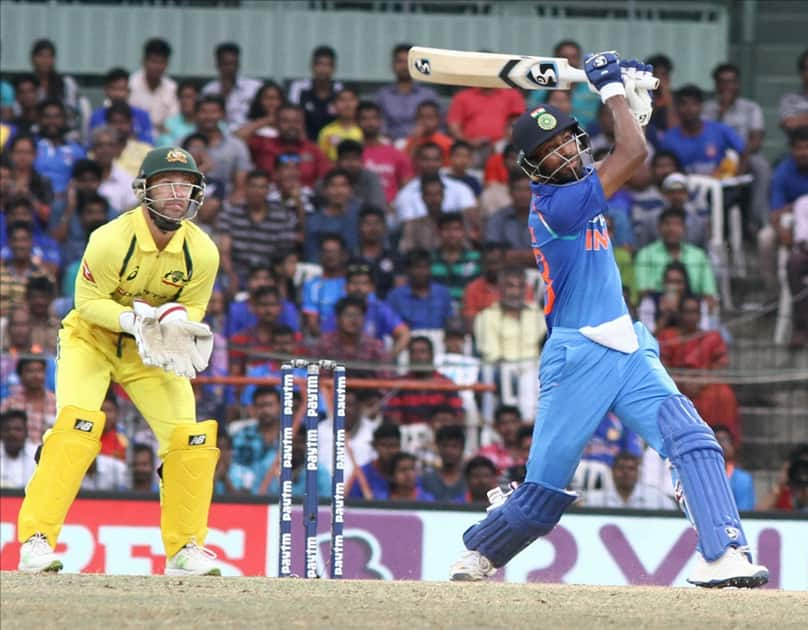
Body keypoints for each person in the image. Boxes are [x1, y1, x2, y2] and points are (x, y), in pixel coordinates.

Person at [448, 52, 768, 588]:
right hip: (578, 357)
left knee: (694, 441)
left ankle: (724, 554)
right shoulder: (555, 207)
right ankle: (481, 549)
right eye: (548, 153)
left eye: (568, 140)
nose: (564, 154)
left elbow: (630, 142)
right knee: (543, 497)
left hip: (628, 345)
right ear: (532, 169)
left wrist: (632, 97)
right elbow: (635, 151)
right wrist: (612, 89)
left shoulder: (586, 183)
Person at [14, 146, 222, 577]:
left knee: (191, 438)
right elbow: (86, 302)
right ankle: (36, 541)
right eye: (165, 183)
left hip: (152, 350)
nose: (176, 193)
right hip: (91, 340)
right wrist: (133, 318)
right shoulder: (110, 239)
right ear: (144, 190)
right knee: (77, 426)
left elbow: (195, 307)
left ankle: (185, 548)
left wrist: (176, 320)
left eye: (184, 185)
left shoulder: (202, 252)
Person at [375, 43, 440, 142]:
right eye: (400, 61)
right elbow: (379, 125)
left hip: (423, 144)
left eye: (408, 62)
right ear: (392, 65)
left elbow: (439, 125)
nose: (404, 66)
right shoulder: (383, 96)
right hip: (390, 144)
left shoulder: (428, 95)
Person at [584, 451, 676, 509]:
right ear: (612, 471)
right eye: (621, 468)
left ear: (638, 472)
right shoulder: (595, 500)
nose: (625, 472)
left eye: (631, 468)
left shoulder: (658, 499)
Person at [202, 42, 262, 131]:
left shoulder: (254, 87)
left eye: (234, 64)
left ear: (238, 65)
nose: (230, 68)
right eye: (226, 64)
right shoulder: (209, 90)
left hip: (249, 134)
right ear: (217, 65)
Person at [287, 45, 343, 141]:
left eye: (327, 65)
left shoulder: (340, 89)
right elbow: (293, 117)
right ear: (312, 66)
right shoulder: (299, 88)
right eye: (319, 64)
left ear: (333, 68)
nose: (323, 69)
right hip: (304, 143)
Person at [128, 38, 178, 135]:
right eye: (153, 61)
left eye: (161, 62)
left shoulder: (172, 88)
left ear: (167, 64)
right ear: (143, 61)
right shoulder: (130, 84)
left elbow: (171, 126)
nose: (157, 67)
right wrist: (156, 125)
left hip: (164, 142)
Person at [0, 409, 38, 489]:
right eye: (7, 429)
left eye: (17, 429)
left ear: (26, 432)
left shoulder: (37, 454)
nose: (12, 433)